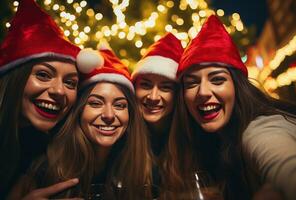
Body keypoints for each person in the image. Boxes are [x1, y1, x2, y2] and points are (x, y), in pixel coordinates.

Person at [164, 15, 296, 200]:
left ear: (237, 86)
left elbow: (289, 172)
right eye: (191, 83)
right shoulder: (211, 141)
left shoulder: (260, 129)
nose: (203, 92)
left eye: (218, 79)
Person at [9, 47, 153, 200]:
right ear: (78, 112)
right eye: (96, 103)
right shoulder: (40, 169)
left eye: (119, 105)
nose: (109, 115)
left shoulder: (140, 167)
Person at [0, 0, 80, 198]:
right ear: (14, 79)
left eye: (70, 83)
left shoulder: (38, 149)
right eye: (43, 75)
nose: (59, 91)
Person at [132, 33, 183, 194]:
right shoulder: (122, 136)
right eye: (146, 85)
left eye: (165, 87)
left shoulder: (192, 136)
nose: (153, 97)